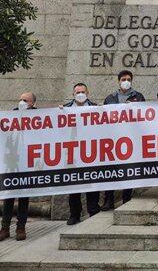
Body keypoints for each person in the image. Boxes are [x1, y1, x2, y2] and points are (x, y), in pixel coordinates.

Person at [0, 92, 37, 242]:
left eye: (25, 100)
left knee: (24, 197)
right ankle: (4, 228)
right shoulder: (10, 115)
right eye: (21, 99)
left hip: (28, 162)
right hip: (12, 161)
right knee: (9, 196)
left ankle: (21, 227)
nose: (22, 102)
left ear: (32, 103)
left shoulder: (39, 115)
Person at [101, 70, 146, 211]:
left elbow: (144, 115)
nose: (126, 81)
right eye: (123, 79)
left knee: (129, 170)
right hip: (113, 139)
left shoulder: (138, 97)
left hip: (131, 139)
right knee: (111, 170)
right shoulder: (110, 98)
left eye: (128, 79)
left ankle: (127, 198)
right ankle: (109, 200)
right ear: (118, 81)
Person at [63, 83, 101, 225]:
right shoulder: (65, 109)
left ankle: (93, 211)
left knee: (92, 183)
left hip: (90, 151)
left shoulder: (96, 108)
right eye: (77, 92)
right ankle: (74, 214)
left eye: (82, 91)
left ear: (88, 93)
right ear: (73, 94)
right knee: (74, 185)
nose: (80, 94)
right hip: (72, 152)